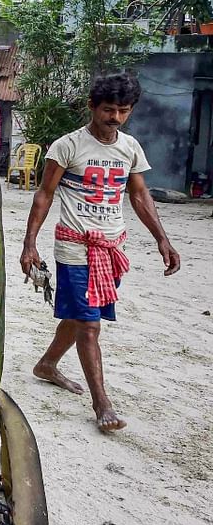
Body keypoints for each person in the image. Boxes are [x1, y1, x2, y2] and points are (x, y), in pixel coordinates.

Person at [20, 73, 181, 433]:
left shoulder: (130, 148)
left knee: (81, 317)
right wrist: (30, 243)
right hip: (75, 246)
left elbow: (139, 196)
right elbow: (44, 194)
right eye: (109, 110)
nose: (116, 118)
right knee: (90, 325)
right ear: (92, 107)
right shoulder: (67, 146)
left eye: (124, 111)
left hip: (113, 248)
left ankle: (46, 365)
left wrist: (162, 239)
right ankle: (102, 403)